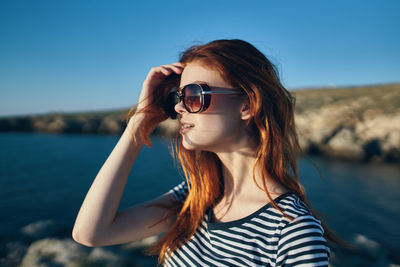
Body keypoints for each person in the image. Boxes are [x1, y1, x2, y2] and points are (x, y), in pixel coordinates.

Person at [73, 39, 332, 266]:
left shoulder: (292, 230)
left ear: (247, 105)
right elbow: (91, 233)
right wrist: (137, 124)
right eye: (178, 96)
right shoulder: (196, 196)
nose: (179, 108)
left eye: (194, 94)